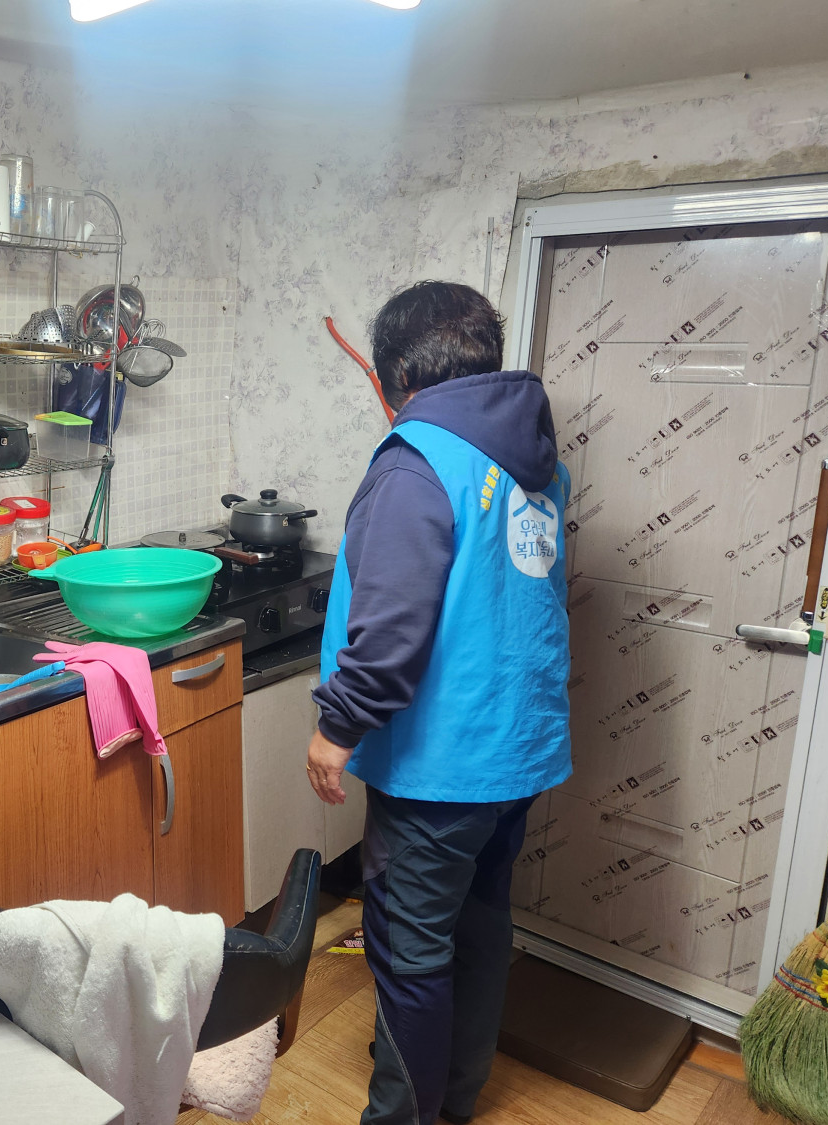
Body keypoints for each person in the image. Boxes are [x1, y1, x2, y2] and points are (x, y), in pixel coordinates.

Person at [306, 281, 572, 1125]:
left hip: (439, 766)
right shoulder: (534, 459)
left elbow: (391, 628)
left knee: (409, 952)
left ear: (393, 375)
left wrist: (336, 727)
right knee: (482, 926)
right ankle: (456, 1098)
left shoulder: (415, 460)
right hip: (515, 752)